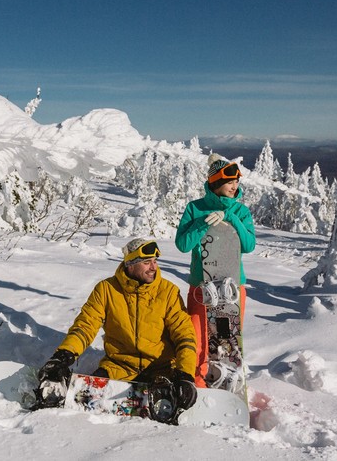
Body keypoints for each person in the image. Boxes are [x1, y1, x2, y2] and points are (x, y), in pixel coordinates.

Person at [35, 238, 198, 415]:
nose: (153, 267)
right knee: (85, 404)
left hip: (161, 369)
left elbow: (185, 336)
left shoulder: (168, 292)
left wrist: (185, 375)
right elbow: (85, 327)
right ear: (130, 264)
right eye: (146, 262)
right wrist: (63, 356)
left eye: (155, 261)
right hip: (118, 367)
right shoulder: (106, 290)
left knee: (167, 409)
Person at [174, 153, 256, 388]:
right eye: (230, 182)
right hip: (201, 286)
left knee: (226, 342)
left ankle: (227, 383)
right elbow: (183, 245)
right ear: (216, 183)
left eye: (236, 182)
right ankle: (198, 386)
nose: (235, 186)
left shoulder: (241, 212)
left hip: (231, 288)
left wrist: (229, 216)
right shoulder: (195, 208)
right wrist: (201, 223)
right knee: (197, 339)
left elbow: (249, 246)